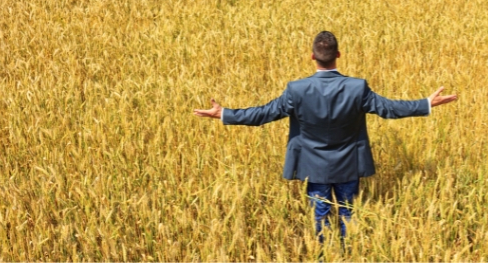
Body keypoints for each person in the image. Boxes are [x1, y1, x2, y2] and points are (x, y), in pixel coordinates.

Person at [193, 31, 457, 247]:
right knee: (348, 212)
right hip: (348, 165)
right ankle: (347, 252)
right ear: (338, 55)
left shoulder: (296, 90)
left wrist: (224, 113)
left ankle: (322, 253)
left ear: (312, 57)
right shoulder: (357, 88)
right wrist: (426, 104)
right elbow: (389, 109)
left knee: (320, 214)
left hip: (314, 165)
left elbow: (264, 114)